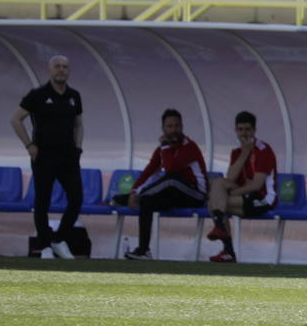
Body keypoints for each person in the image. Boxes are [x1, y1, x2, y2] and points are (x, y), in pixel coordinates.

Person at [11, 54, 83, 259]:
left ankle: (60, 240)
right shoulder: (38, 95)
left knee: (76, 199)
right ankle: (45, 247)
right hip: (43, 156)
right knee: (43, 201)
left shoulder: (74, 96)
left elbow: (79, 125)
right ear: (50, 70)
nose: (62, 70)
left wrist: (78, 148)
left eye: (65, 67)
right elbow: (16, 119)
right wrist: (29, 145)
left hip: (68, 156)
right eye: (58, 66)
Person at [114, 109, 208, 260]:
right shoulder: (162, 150)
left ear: (182, 127)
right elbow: (149, 171)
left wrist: (165, 145)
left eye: (177, 126)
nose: (174, 130)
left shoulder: (189, 146)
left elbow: (171, 168)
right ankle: (143, 250)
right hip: (175, 194)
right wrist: (134, 191)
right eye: (169, 126)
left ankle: (133, 197)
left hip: (195, 194)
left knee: (171, 178)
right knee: (146, 202)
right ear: (163, 129)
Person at [205, 110, 278, 264]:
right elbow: (230, 178)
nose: (243, 133)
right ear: (235, 131)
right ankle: (221, 230)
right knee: (218, 183)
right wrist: (244, 153)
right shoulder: (237, 151)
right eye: (240, 129)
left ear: (254, 131)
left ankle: (228, 250)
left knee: (214, 203)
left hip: (263, 198)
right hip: (244, 197)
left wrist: (228, 195)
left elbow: (257, 185)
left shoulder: (264, 150)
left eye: (247, 129)